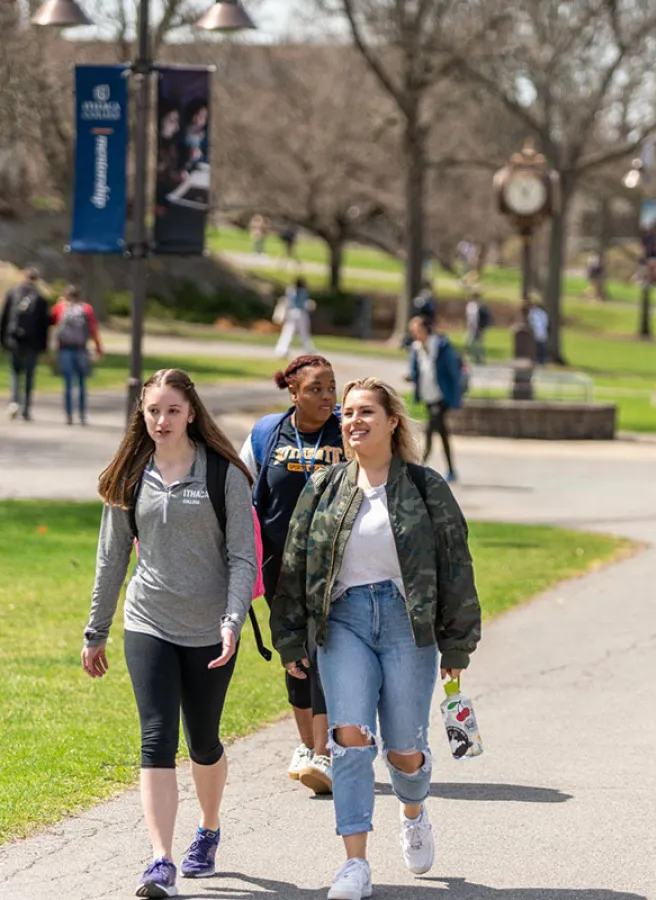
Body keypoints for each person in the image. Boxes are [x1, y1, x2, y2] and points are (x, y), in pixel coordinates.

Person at [270, 377, 481, 900]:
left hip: (408, 623)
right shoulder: (324, 487)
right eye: (347, 413)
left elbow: (455, 563)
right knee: (349, 739)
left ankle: (413, 811)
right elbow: (295, 562)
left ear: (392, 422)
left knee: (405, 749)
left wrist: (457, 643)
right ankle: (355, 864)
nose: (354, 421)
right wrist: (290, 638)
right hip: (344, 622)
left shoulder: (426, 487)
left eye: (366, 411)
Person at [81, 368, 257, 897]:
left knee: (202, 740)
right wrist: (96, 630)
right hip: (149, 620)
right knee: (156, 737)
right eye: (153, 410)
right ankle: (161, 861)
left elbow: (242, 557)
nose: (162, 420)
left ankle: (209, 827)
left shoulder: (224, 474)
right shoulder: (130, 474)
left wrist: (231, 620)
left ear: (191, 413)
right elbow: (111, 558)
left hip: (210, 627)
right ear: (143, 413)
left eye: (172, 410)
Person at [239, 355, 345, 794]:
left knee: (323, 652)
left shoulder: (346, 431)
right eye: (316, 389)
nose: (327, 396)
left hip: (336, 569)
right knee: (295, 653)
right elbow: (240, 490)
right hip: (279, 566)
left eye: (331, 387)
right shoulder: (268, 433)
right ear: (293, 392)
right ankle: (307, 747)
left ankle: (325, 752)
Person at [408, 316, 463, 483]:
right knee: (442, 433)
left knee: (430, 431)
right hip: (428, 396)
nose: (416, 335)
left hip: (441, 396)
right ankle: (451, 470)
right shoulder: (416, 349)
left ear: (426, 330)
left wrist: (455, 399)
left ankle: (418, 469)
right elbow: (417, 371)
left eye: (418, 331)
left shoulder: (441, 347)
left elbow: (452, 373)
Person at [0, 267, 50, 421]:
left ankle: (14, 402)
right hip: (32, 343)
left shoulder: (13, 293)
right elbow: (44, 325)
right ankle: (26, 409)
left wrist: (3, 339)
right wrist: (44, 346)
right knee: (29, 375)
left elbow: (5, 317)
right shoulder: (40, 298)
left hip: (14, 340)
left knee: (15, 372)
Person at [50, 284, 103, 426]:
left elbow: (51, 321)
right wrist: (99, 348)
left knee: (68, 383)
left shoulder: (60, 308)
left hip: (65, 349)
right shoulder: (86, 309)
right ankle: (82, 414)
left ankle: (68, 414)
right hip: (81, 349)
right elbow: (93, 329)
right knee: (81, 383)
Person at [275, 277, 314, 358]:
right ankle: (308, 349)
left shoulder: (290, 290)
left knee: (288, 332)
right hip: (301, 313)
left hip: (292, 312)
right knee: (303, 333)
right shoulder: (303, 291)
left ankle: (282, 350)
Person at [464, 293, 490, 365]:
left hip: (477, 327)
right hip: (476, 327)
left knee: (475, 343)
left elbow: (474, 318)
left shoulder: (475, 306)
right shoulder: (475, 306)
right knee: (475, 343)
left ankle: (478, 358)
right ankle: (477, 358)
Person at [527, 301, 550, 365]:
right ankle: (538, 359)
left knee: (541, 345)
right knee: (538, 345)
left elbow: (544, 322)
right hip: (537, 331)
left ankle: (542, 359)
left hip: (540, 331)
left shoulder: (539, 313)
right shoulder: (534, 313)